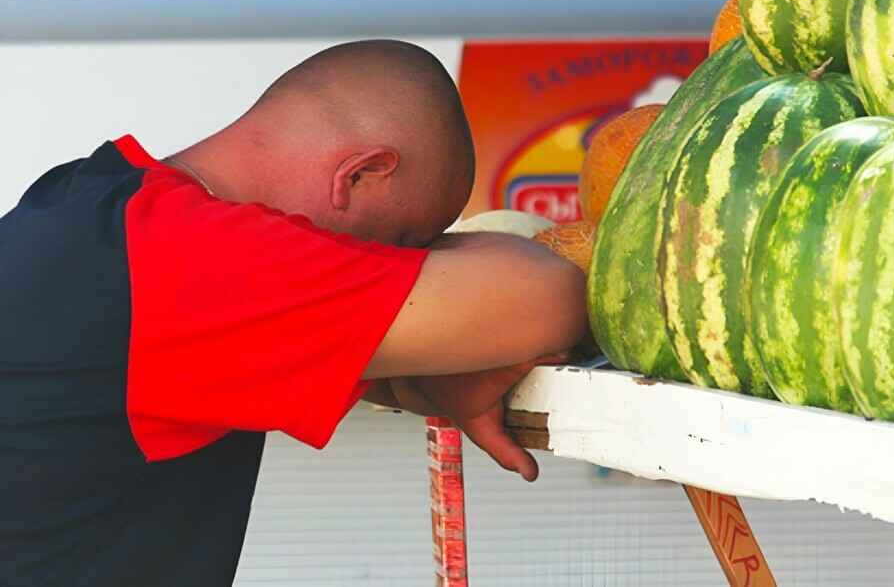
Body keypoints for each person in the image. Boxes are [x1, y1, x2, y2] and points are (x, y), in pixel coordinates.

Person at [0, 40, 588, 587]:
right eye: (406, 242)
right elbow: (547, 295)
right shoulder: (199, 259)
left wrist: (435, 376)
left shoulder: (90, 197)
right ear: (360, 173)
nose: (397, 266)